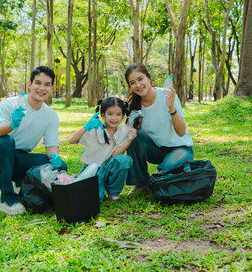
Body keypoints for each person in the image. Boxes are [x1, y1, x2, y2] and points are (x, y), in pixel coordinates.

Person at [0, 66, 67, 215]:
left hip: (20, 158)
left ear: (52, 88)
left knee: (61, 167)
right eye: (38, 83)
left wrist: (55, 157)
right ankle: (7, 199)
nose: (42, 88)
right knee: (6, 141)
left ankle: (19, 184)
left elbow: (51, 146)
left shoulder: (51, 115)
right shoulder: (10, 104)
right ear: (30, 84)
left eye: (47, 84)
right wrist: (11, 125)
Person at [125, 63, 194, 198]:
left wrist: (171, 108)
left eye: (140, 79)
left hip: (179, 149)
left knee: (168, 167)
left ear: (149, 79)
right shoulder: (134, 106)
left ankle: (158, 179)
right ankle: (140, 183)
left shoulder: (166, 95)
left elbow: (181, 132)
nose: (138, 85)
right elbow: (129, 138)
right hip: (156, 150)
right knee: (132, 135)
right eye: (133, 83)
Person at [69, 97, 136, 201]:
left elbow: (115, 155)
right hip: (92, 170)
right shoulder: (95, 129)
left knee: (124, 160)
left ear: (123, 116)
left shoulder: (122, 133)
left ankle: (113, 192)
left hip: (108, 168)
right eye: (110, 114)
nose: (114, 118)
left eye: (118, 114)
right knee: (97, 198)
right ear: (103, 115)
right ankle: (79, 179)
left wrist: (129, 140)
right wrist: (86, 127)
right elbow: (72, 140)